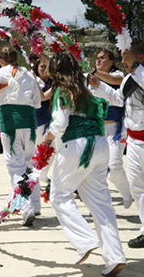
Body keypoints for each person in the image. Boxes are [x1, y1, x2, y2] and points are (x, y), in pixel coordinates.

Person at [45, 51, 126, 276]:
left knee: (59, 195)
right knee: (101, 203)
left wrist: (48, 137)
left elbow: (60, 124)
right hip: (100, 146)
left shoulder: (64, 90)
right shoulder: (87, 89)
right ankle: (115, 256)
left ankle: (84, 241)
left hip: (78, 145)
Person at [89, 40, 144, 249]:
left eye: (126, 57)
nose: (123, 61)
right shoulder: (128, 79)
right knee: (138, 187)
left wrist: (138, 68)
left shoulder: (140, 75)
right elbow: (117, 99)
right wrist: (99, 86)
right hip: (134, 141)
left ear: (139, 58)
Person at [0, 46, 42, 226]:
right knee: (29, 164)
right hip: (30, 123)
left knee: (15, 166)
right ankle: (35, 203)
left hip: (10, 123)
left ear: (0, 60)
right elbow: (37, 101)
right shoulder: (29, 74)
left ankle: (26, 208)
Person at [89, 49, 132, 208]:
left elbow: (113, 81)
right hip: (97, 129)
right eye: (97, 59)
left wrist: (95, 74)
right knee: (97, 167)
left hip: (116, 129)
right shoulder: (92, 79)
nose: (98, 61)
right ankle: (102, 202)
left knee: (114, 165)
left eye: (102, 58)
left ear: (111, 62)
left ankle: (127, 193)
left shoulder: (119, 75)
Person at [31, 54, 57, 184]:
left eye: (46, 66)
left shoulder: (53, 83)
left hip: (49, 117)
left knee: (50, 146)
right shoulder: (30, 80)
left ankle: (42, 173)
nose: (44, 68)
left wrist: (42, 54)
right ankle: (35, 174)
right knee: (36, 147)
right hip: (35, 118)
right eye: (41, 66)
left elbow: (44, 97)